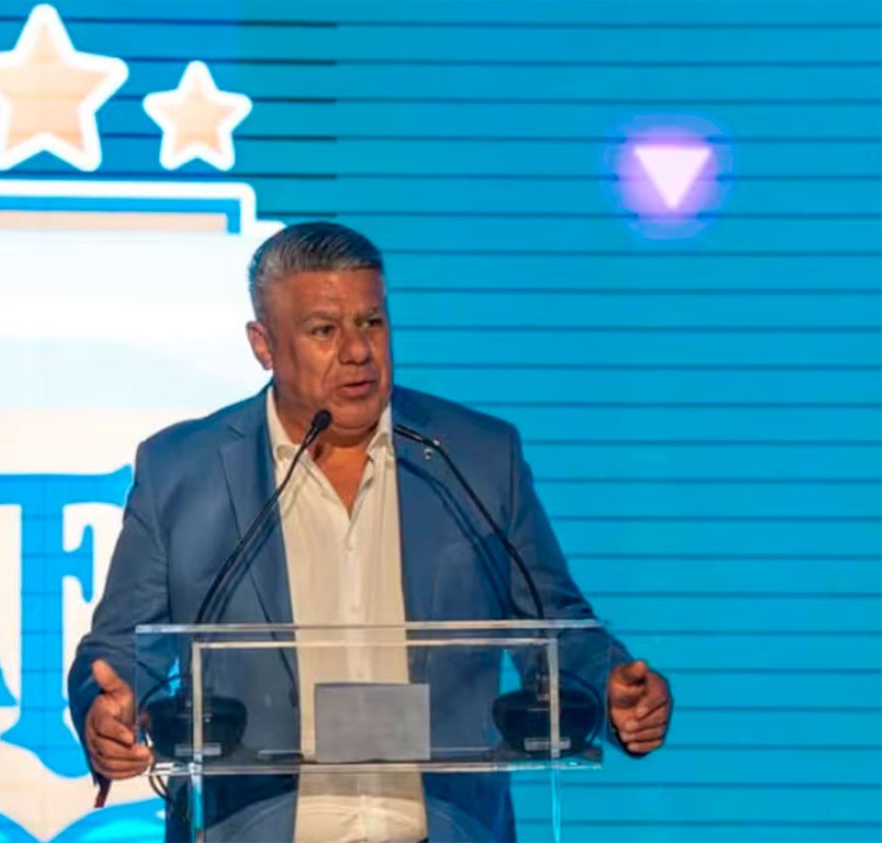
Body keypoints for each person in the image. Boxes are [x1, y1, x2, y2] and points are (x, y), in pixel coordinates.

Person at [68, 223, 672, 842]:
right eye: (324, 331)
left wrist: (609, 683)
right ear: (263, 344)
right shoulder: (182, 471)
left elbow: (554, 624)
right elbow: (119, 649)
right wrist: (103, 712)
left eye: (371, 323)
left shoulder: (477, 457)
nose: (357, 351)